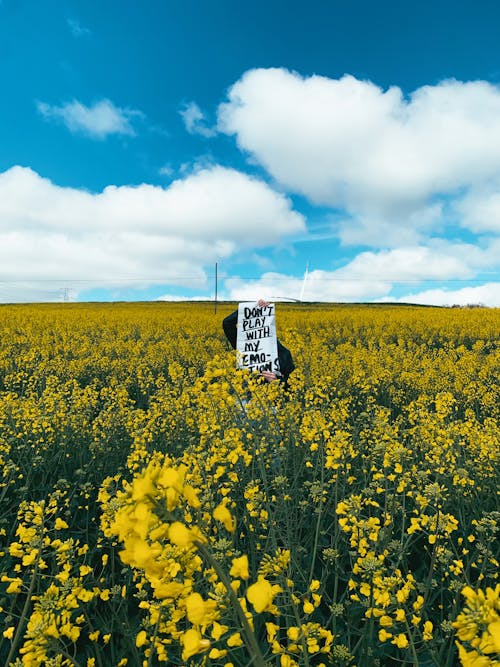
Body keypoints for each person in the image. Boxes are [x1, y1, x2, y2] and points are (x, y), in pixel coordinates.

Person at [222, 299, 295, 387]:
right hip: (246, 394)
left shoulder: (284, 354)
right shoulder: (246, 345)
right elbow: (227, 323)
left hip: (271, 397)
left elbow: (292, 382)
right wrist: (252, 308)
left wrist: (277, 381)